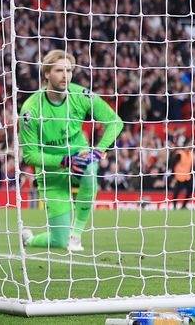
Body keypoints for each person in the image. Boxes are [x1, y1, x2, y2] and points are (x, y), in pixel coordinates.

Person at [19, 49, 123, 253]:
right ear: (47, 73)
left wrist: (98, 150)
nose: (65, 75)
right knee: (59, 241)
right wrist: (64, 161)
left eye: (68, 70)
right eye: (59, 70)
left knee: (90, 169)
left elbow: (115, 122)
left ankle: (76, 234)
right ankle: (29, 239)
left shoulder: (81, 95)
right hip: (51, 171)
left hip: (80, 157)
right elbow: (30, 156)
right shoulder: (31, 109)